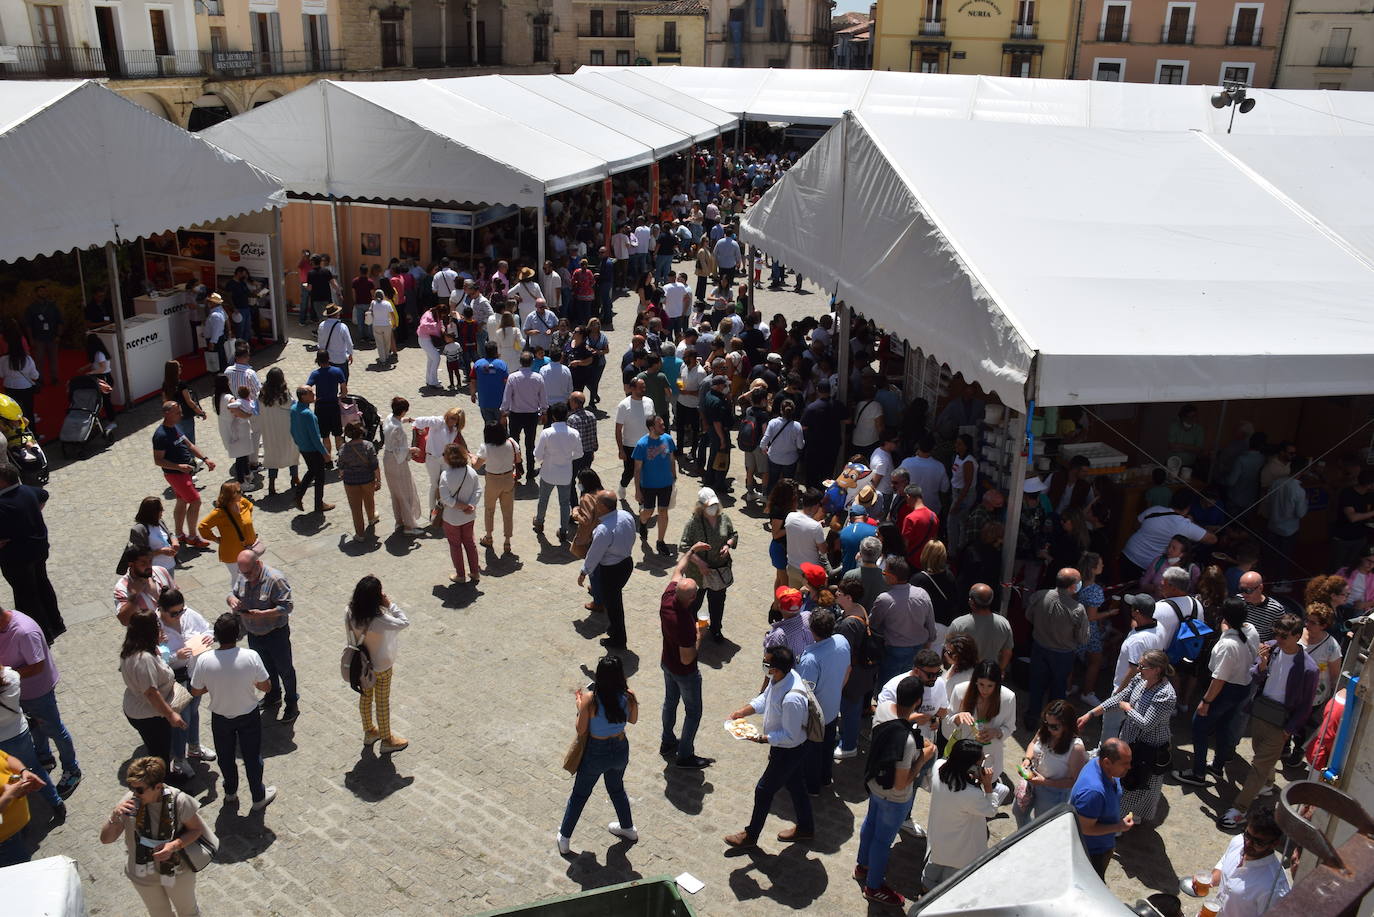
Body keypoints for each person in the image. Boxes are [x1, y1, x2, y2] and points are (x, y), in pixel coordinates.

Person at [1220, 612, 1317, 830]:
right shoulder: (1272, 649)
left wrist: (1289, 730)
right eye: (1277, 634)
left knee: (1258, 766)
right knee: (1261, 756)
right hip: (1261, 712)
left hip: (1281, 722)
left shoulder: (1308, 669)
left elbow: (1306, 705)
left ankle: (1240, 809)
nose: (1278, 639)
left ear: (1297, 636)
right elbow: (1254, 676)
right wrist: (1261, 665)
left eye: (1284, 636)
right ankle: (1268, 783)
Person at [724, 645, 815, 848]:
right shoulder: (780, 678)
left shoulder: (792, 698)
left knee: (763, 791)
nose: (764, 666)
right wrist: (742, 712)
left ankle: (751, 836)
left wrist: (763, 738)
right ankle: (806, 828)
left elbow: (791, 736)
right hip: (785, 747)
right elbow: (766, 699)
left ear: (777, 668)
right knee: (796, 785)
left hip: (789, 750)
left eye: (767, 663)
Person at [856, 675, 935, 907]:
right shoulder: (908, 741)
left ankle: (863, 866)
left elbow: (901, 716)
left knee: (870, 824)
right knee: (883, 841)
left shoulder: (882, 711)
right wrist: (923, 759)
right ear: (918, 701)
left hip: (874, 785)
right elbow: (901, 783)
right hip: (894, 797)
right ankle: (873, 886)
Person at [99, 756, 212, 916]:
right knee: (159, 914)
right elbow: (106, 839)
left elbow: (196, 830)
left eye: (139, 790)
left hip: (177, 871)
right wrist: (114, 817)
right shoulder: (129, 803)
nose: (134, 793)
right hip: (142, 873)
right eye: (131, 787)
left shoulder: (179, 800)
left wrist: (173, 846)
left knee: (188, 912)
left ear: (158, 786)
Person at [188, 613, 276, 811]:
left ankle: (230, 792)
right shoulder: (251, 656)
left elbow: (195, 690)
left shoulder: (205, 660)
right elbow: (267, 687)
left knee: (225, 757)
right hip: (248, 714)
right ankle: (258, 795)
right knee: (252, 757)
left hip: (220, 716)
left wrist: (214, 685)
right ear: (238, 634)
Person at [1080, 649, 1178, 824]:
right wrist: (1091, 714)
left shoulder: (1166, 695)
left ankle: (1120, 822)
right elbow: (1119, 698)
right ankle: (1120, 817)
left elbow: (1147, 724)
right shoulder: (1140, 680)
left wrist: (1128, 709)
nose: (1138, 669)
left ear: (1156, 669)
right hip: (1130, 741)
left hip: (1149, 748)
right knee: (1123, 779)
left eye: (1143, 666)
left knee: (1138, 784)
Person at [558, 654, 638, 854]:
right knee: (616, 789)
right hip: (620, 748)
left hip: (596, 751)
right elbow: (633, 720)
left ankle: (565, 837)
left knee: (580, 795)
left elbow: (581, 729)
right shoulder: (629, 695)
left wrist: (580, 707)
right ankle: (628, 828)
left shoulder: (589, 699)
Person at [0, 605, 81, 800]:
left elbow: (37, 665)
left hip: (37, 692)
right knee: (34, 727)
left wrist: (8, 676)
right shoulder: (4, 627)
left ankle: (72, 769)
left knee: (54, 730)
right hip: (19, 693)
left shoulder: (24, 631)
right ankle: (44, 757)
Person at [923, 738, 1003, 892]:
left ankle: (925, 889)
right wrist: (987, 786)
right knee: (948, 886)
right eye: (980, 763)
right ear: (970, 766)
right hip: (960, 849)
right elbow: (991, 810)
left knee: (931, 873)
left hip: (938, 839)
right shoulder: (970, 794)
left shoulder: (938, 767)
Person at [659, 544, 713, 770]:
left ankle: (667, 741)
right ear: (691, 598)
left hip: (666, 662)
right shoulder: (683, 625)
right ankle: (685, 754)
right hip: (683, 672)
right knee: (693, 712)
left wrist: (691, 552)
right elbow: (687, 658)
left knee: (670, 702)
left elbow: (677, 570)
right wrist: (700, 633)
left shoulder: (668, 596)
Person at [228, 550, 297, 722]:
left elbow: (287, 607)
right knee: (265, 669)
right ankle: (273, 696)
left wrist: (264, 614)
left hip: (275, 634)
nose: (246, 576)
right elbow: (233, 594)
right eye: (243, 573)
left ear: (258, 564)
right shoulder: (243, 575)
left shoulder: (275, 579)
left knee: (285, 670)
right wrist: (231, 600)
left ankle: (291, 703)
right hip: (254, 634)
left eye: (249, 572)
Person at [1185, 804, 1291, 915]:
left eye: (1258, 842)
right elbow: (1224, 865)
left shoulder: (1273, 889)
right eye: (1248, 835)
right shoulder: (1238, 841)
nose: (1248, 844)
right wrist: (1209, 880)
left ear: (1274, 844)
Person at [0, 464, 66, 643]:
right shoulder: (28, 491)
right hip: (38, 549)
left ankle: (42, 633)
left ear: (3, 482)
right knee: (42, 584)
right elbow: (44, 496)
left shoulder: (3, 505)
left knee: (26, 595)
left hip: (17, 558)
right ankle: (56, 623)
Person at [346, 576, 410, 753]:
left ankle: (369, 732)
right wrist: (390, 604)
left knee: (365, 697)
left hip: (361, 665)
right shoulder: (380, 620)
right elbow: (404, 622)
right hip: (381, 666)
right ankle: (387, 739)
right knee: (382, 702)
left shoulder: (350, 611)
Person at [155, 589, 213, 780]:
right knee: (182, 719)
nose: (179, 616)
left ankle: (194, 748)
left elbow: (207, 628)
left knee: (194, 711)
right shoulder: (155, 626)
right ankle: (179, 758)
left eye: (181, 611)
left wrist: (208, 637)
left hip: (194, 672)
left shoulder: (188, 614)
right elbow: (152, 660)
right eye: (174, 613)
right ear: (161, 609)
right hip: (175, 679)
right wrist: (174, 656)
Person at [1024, 568, 1090, 729]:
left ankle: (1032, 719)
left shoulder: (1040, 596)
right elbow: (1083, 638)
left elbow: (1028, 616)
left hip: (1039, 648)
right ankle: (1052, 725)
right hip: (1063, 655)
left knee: (1036, 686)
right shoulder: (1077, 609)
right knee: (1058, 689)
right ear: (1073, 586)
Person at [119, 610, 185, 766]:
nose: (160, 627)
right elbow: (151, 692)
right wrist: (171, 715)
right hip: (149, 715)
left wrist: (158, 645)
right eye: (157, 625)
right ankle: (163, 781)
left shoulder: (133, 648)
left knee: (158, 748)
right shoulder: (144, 659)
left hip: (140, 709)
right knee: (160, 753)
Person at [797, 609, 851, 796]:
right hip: (833, 707)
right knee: (827, 747)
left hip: (815, 716)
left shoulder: (810, 659)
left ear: (812, 630)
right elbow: (848, 671)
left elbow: (805, 694)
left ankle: (812, 788)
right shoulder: (843, 642)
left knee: (812, 753)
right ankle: (826, 778)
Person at [1100, 594, 1164, 746]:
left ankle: (1102, 755)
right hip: (1144, 689)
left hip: (1127, 690)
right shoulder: (1159, 627)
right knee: (1127, 730)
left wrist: (1118, 693)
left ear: (1137, 612)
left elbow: (1133, 669)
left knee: (1110, 726)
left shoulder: (1138, 640)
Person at [1014, 700, 1087, 828]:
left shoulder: (1076, 747)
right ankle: (1024, 837)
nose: (1049, 728)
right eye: (1046, 723)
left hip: (1053, 792)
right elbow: (1032, 743)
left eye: (1054, 726)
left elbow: (1074, 781)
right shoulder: (1045, 731)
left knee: (1042, 825)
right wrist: (1027, 759)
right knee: (1018, 811)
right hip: (1031, 782)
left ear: (1067, 725)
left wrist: (1044, 782)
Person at [678, 487, 737, 641]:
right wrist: (700, 563)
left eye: (715, 504)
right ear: (701, 506)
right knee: (693, 603)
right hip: (698, 573)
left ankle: (716, 629)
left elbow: (733, 534)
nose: (713, 508)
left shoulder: (724, 518)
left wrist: (728, 545)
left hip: (719, 570)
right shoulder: (693, 523)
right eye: (709, 505)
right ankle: (690, 629)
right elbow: (684, 546)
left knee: (717, 603)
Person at [580, 492, 637, 650]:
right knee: (613, 600)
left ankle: (618, 640)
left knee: (614, 606)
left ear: (604, 507)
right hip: (626, 563)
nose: (595, 505)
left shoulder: (603, 530)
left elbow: (594, 554)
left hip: (611, 570)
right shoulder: (626, 515)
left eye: (597, 503)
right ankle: (613, 629)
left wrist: (584, 572)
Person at [1121, 491, 1217, 585]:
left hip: (1127, 552)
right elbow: (1212, 539)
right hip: (1145, 564)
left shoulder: (1155, 509)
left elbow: (1136, 525)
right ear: (1188, 508)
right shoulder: (1184, 525)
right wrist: (1192, 522)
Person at [1071, 737, 1135, 878]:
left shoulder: (1099, 765)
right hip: (1092, 853)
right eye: (1125, 763)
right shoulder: (1093, 792)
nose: (1129, 767)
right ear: (1107, 762)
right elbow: (1085, 828)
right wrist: (1119, 826)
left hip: (1102, 845)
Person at [870, 557, 937, 684]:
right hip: (918, 649)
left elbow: (873, 624)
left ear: (893, 578)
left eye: (884, 573)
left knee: (889, 687)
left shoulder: (884, 599)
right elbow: (930, 624)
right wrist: (929, 643)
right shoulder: (922, 594)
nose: (883, 575)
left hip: (894, 652)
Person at [947, 660, 1017, 780]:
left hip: (990, 755)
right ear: (975, 681)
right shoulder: (960, 691)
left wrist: (997, 732)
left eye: (990, 685)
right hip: (964, 751)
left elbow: (1010, 727)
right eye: (981, 684)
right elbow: (948, 720)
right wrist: (958, 717)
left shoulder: (1008, 698)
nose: (985, 690)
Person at [532, 403, 581, 541]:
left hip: (548, 472)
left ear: (552, 417)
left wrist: (545, 459)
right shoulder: (574, 433)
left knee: (543, 499)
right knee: (565, 503)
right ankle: (563, 530)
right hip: (565, 474)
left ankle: (540, 522)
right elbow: (579, 453)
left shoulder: (546, 433)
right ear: (567, 415)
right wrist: (567, 458)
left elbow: (538, 454)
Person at [631, 414, 677, 555]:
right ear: (652, 428)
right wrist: (637, 490)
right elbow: (637, 469)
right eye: (660, 425)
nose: (663, 427)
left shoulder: (668, 439)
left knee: (663, 511)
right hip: (648, 486)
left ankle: (660, 541)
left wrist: (674, 475)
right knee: (648, 512)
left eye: (663, 424)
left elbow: (671, 459)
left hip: (666, 484)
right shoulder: (642, 444)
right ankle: (643, 522)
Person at [412, 406, 469, 519]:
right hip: (432, 459)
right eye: (450, 417)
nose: (450, 420)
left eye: (454, 419)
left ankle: (442, 508)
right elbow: (418, 421)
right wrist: (414, 441)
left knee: (445, 484)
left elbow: (461, 441)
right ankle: (432, 510)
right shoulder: (438, 421)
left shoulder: (454, 430)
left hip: (445, 459)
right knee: (434, 484)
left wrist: (467, 453)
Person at [196, 481, 258, 584]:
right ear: (231, 495)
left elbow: (250, 508)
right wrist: (216, 539)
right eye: (239, 491)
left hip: (250, 549)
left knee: (253, 575)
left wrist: (247, 528)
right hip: (233, 553)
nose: (241, 493)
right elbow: (203, 527)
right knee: (239, 579)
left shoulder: (244, 503)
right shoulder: (219, 513)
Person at [437, 442, 481, 585]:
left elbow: (445, 498)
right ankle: (475, 572)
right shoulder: (471, 472)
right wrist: (471, 506)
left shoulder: (445, 475)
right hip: (469, 517)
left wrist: (461, 506)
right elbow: (478, 491)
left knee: (455, 545)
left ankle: (460, 575)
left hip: (452, 518)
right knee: (470, 543)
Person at [381, 398, 425, 536]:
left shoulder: (389, 418)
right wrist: (413, 450)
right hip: (397, 462)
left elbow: (396, 422)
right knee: (405, 492)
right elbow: (400, 451)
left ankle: (399, 520)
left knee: (395, 493)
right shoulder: (398, 429)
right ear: (403, 411)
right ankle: (409, 525)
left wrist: (408, 420)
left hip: (387, 459)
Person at [946, 583, 1014, 671]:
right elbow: (1007, 653)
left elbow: (948, 651)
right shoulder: (1004, 624)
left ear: (971, 601)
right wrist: (999, 671)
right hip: (989, 676)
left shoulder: (958, 624)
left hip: (964, 674)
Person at [290, 387, 333, 514]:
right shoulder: (308, 415)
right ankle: (319, 504)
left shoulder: (293, 409)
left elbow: (291, 430)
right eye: (311, 393)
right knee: (320, 477)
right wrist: (325, 454)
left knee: (312, 472)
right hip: (313, 450)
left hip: (303, 448)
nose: (314, 394)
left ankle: (298, 495)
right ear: (303, 396)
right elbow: (315, 438)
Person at [257, 368, 300, 496]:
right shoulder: (284, 394)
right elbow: (293, 406)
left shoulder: (262, 395)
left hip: (269, 429)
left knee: (272, 455)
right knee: (292, 451)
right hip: (285, 428)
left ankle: (271, 485)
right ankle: (295, 477)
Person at [337, 422, 381, 542]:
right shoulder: (368, 445)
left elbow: (340, 466)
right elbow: (374, 465)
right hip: (367, 479)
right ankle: (371, 518)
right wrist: (379, 480)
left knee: (356, 509)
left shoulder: (343, 448)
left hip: (350, 482)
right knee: (369, 499)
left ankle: (360, 534)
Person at [306, 351, 347, 463]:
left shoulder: (315, 374)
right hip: (334, 406)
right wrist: (340, 396)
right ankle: (342, 459)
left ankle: (327, 460)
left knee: (325, 436)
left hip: (321, 407)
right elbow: (344, 389)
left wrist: (313, 398)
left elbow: (307, 388)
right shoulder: (337, 371)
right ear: (329, 358)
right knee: (338, 434)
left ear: (318, 360)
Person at [213, 375, 255, 485]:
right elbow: (235, 410)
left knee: (241, 454)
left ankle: (247, 474)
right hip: (237, 429)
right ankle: (241, 481)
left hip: (225, 427)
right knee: (241, 456)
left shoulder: (216, 397)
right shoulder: (228, 397)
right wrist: (248, 415)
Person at [783, 487, 827, 589]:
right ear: (816, 505)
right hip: (809, 572)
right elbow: (823, 550)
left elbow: (801, 530)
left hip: (792, 567)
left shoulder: (790, 516)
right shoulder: (816, 527)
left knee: (794, 599)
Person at [900, 485, 940, 573]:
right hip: (928, 562)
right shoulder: (933, 516)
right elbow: (934, 540)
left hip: (913, 562)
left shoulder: (910, 518)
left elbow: (905, 545)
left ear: (908, 496)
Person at [1238, 570, 1287, 642]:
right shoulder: (1238, 600)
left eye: (1248, 590)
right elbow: (1226, 622)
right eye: (1242, 589)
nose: (1244, 594)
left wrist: (1267, 645)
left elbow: (1282, 633)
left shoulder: (1276, 609)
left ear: (1260, 588)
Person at [317, 303, 355, 382]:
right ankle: (343, 392)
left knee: (330, 379)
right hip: (340, 358)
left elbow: (320, 342)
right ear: (336, 314)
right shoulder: (342, 326)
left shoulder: (321, 325)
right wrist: (350, 354)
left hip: (326, 358)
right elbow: (349, 343)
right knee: (343, 378)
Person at [370, 289, 397, 364]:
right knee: (387, 342)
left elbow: (371, 313)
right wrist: (394, 323)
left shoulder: (373, 303)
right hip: (386, 325)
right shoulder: (387, 303)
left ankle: (382, 359)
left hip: (376, 325)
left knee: (379, 343)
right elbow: (392, 314)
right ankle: (387, 356)